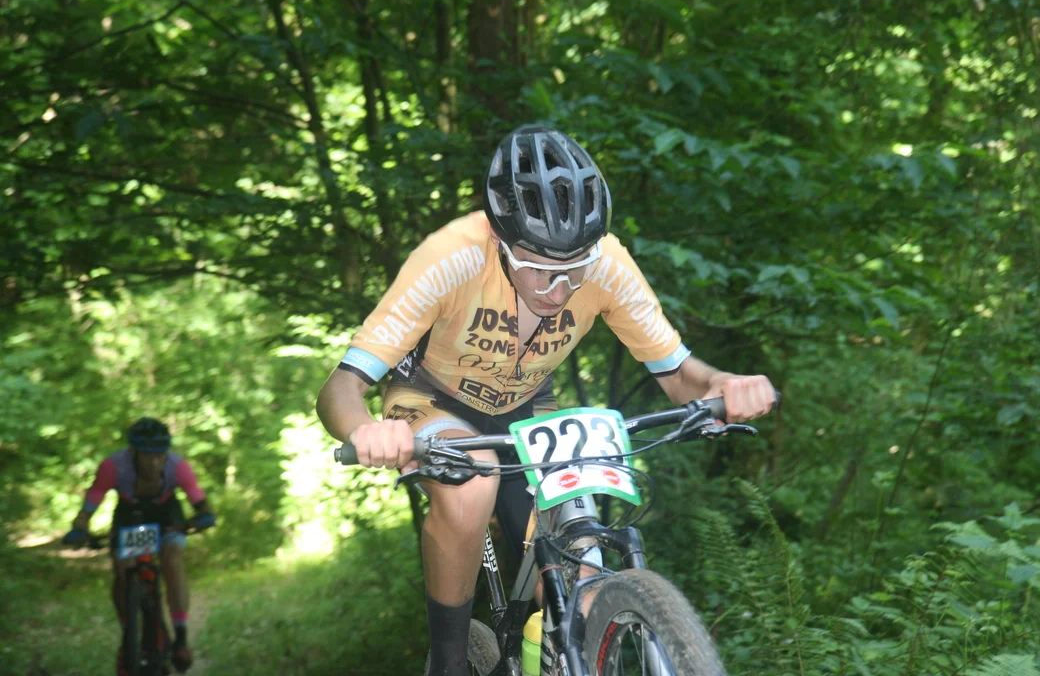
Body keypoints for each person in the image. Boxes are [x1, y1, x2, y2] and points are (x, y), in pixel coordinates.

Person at [316, 124, 777, 675]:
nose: (557, 290)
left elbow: (679, 373)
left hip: (528, 408)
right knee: (472, 483)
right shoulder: (451, 256)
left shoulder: (607, 264)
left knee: (583, 571)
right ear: (498, 238)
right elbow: (341, 386)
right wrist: (365, 430)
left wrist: (724, 383)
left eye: (573, 268)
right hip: (432, 399)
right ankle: (449, 661)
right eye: (536, 268)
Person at [61, 417, 216, 676]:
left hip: (166, 513)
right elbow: (92, 501)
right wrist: (80, 527)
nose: (154, 462)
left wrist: (205, 515)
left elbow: (199, 499)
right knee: (122, 569)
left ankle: (181, 637)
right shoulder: (113, 466)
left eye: (160, 455)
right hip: (130, 514)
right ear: (133, 452)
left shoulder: (178, 466)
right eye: (147, 455)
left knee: (173, 559)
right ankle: (129, 633)